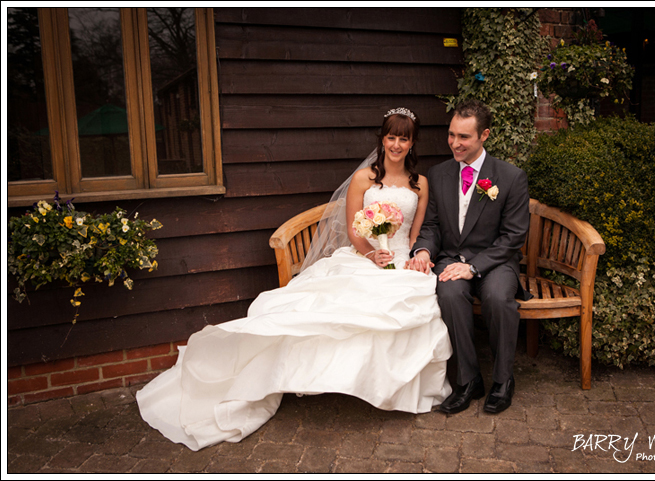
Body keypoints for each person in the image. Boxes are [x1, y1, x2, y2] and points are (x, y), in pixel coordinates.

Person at [136, 108, 452, 451]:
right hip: (365, 257)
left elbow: (418, 233)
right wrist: (371, 254)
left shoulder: (420, 184)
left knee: (413, 302)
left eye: (403, 138)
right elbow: (353, 230)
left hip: (402, 261)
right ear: (382, 139)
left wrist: (414, 258)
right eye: (391, 136)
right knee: (329, 308)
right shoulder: (364, 179)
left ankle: (388, 386)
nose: (396, 144)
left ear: (412, 143)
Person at [406, 99, 531, 415]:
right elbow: (432, 225)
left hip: (496, 261)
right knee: (448, 292)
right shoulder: (438, 173)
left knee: (498, 298)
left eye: (464, 137)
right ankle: (468, 381)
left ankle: (502, 381)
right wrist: (422, 249)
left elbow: (513, 237)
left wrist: (475, 267)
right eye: (451, 135)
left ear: (484, 135)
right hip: (450, 257)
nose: (455, 143)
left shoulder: (511, 176)